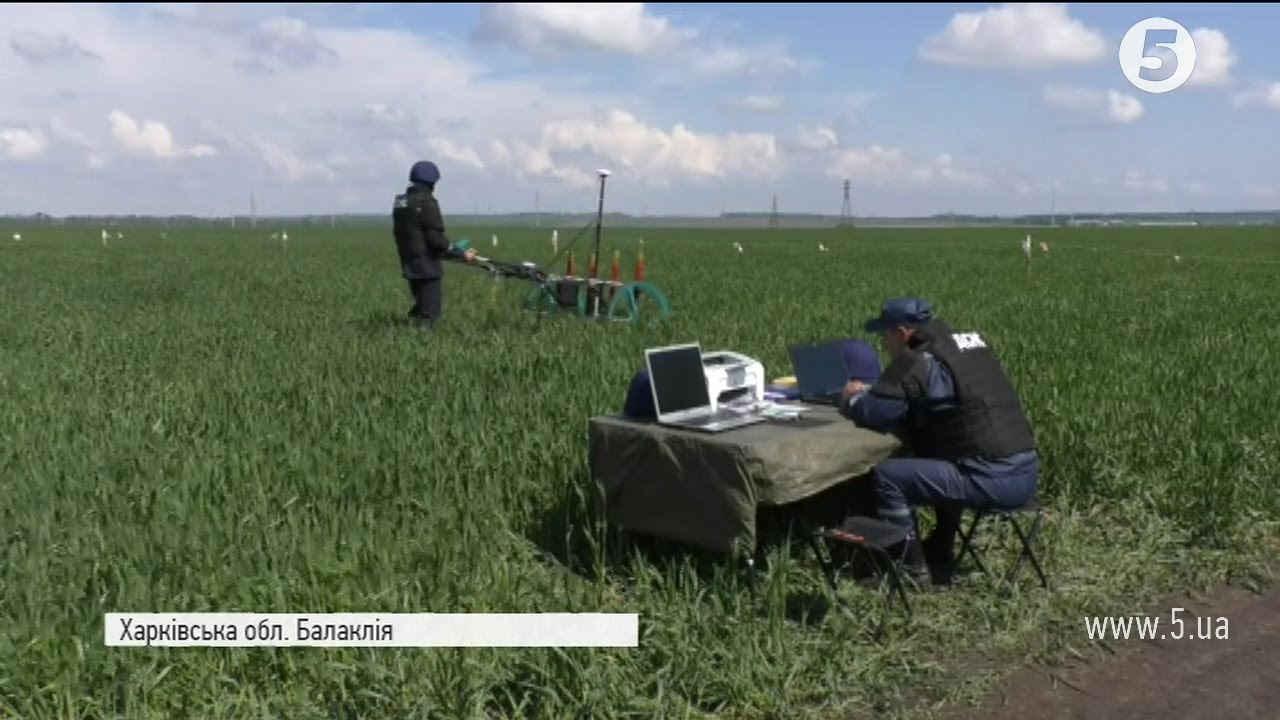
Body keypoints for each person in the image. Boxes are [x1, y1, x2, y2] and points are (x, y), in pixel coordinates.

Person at [838, 298, 1039, 584]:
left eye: (884, 335)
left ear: (901, 332)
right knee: (941, 454)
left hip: (992, 479)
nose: (883, 344)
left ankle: (910, 568)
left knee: (888, 477)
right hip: (1026, 472)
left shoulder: (917, 359)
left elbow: (878, 413)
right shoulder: (971, 346)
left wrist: (853, 397)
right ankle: (941, 547)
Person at [392, 160, 476, 326]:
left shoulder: (401, 202)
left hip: (410, 263)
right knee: (429, 316)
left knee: (420, 309)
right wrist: (460, 254)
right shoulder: (427, 203)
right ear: (432, 182)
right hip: (427, 268)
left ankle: (407, 331)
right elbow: (435, 240)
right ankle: (414, 337)